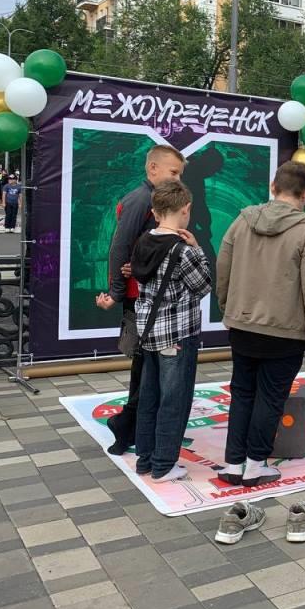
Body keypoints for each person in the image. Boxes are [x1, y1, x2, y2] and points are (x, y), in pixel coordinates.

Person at [216, 161, 305, 487]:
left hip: (242, 324)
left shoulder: (242, 220)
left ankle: (233, 463)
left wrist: (228, 307)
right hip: (285, 331)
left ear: (272, 187)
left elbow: (223, 267)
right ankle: (255, 464)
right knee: (270, 397)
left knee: (242, 394)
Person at [95, 145, 186, 455]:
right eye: (173, 172)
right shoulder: (141, 200)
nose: (177, 179)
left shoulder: (151, 199)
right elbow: (120, 246)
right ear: (153, 169)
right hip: (140, 300)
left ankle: (132, 428)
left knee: (147, 367)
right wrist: (118, 291)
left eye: (180, 174)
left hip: (148, 297)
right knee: (146, 368)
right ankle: (126, 426)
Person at [130, 180, 211, 483]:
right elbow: (204, 285)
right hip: (177, 335)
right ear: (186, 209)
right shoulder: (183, 251)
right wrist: (198, 249)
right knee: (174, 401)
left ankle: (145, 459)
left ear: (154, 212)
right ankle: (164, 464)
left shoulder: (143, 242)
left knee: (149, 397)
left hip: (148, 332)